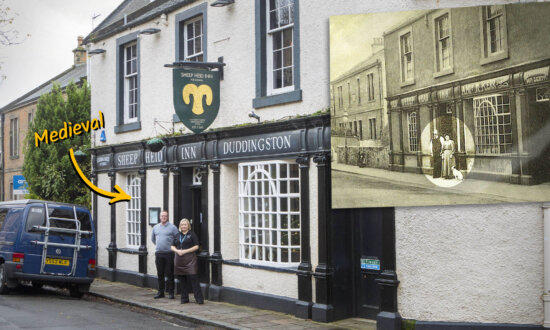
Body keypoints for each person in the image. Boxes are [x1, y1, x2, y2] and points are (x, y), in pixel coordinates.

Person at [171, 218, 203, 304]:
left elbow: (196, 246)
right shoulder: (177, 235)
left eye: (185, 224)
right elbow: (172, 246)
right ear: (180, 226)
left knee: (194, 279)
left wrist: (185, 251)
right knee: (182, 280)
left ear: (188, 225)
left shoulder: (192, 234)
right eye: (182, 224)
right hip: (179, 260)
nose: (183, 226)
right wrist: (177, 251)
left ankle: (199, 299)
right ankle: (184, 298)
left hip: (190, 259)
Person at [151, 210, 178, 299]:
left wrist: (171, 246)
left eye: (165, 216)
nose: (163, 217)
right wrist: (160, 246)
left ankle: (170, 292)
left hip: (169, 254)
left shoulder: (173, 227)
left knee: (170, 273)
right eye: (162, 216)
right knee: (160, 274)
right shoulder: (155, 227)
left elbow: (177, 238)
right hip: (159, 253)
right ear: (160, 217)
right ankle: (160, 292)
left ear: (167, 217)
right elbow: (153, 239)